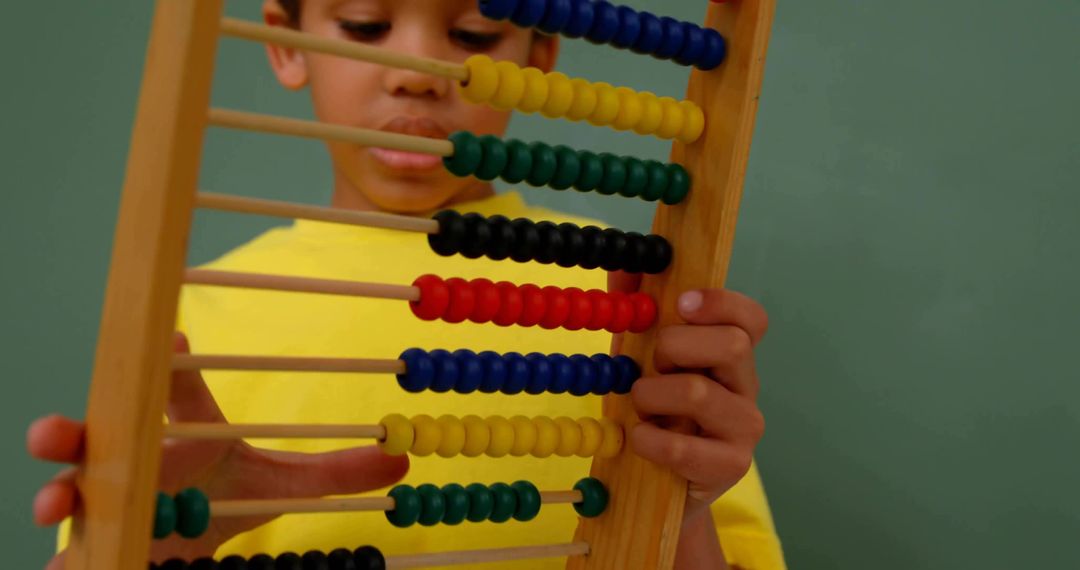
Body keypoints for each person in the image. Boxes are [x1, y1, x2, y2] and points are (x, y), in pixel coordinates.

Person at [27, 0, 786, 568]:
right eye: (364, 24)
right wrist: (155, 552)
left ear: (540, 54)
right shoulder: (182, 317)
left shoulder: (632, 295)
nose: (419, 73)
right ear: (286, 44)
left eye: (472, 36)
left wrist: (679, 515)